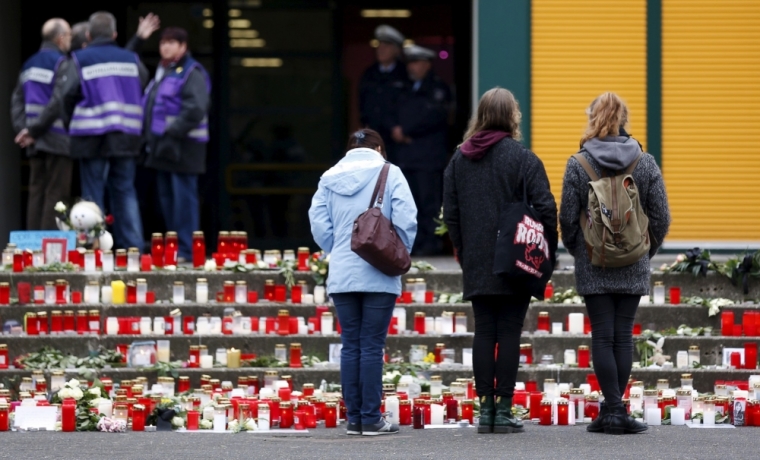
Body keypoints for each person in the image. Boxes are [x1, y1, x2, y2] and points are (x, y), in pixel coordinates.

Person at [443, 87, 558, 434]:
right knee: (509, 332)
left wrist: (463, 249)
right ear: (512, 117)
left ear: (480, 116)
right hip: (516, 257)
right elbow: (547, 208)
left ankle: (485, 411)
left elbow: (451, 213)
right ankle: (505, 410)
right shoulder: (523, 159)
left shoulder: (458, 160)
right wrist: (542, 250)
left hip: (476, 258)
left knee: (484, 331)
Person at [559, 92, 671, 435]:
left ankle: (611, 411)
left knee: (602, 336)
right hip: (634, 261)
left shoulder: (578, 163)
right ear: (624, 118)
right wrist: (643, 251)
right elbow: (662, 217)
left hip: (594, 261)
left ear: (592, 118)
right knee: (623, 337)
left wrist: (582, 250)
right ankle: (617, 411)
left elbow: (566, 217)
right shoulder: (646, 162)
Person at [309, 129, 417, 436]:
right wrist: (395, 252)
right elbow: (407, 220)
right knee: (371, 346)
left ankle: (354, 418)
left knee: (350, 346)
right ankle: (371, 417)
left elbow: (318, 224)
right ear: (379, 148)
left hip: (342, 272)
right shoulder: (390, 172)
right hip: (379, 273)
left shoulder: (328, 177)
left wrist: (339, 248)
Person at [61, 11, 150, 250]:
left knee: (92, 196)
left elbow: (66, 95)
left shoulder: (79, 59)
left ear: (88, 35)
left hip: (90, 136)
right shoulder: (131, 59)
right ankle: (133, 250)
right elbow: (143, 83)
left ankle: (96, 250)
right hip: (126, 137)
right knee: (125, 192)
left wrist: (71, 123)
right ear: (114, 34)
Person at [142, 27, 210, 262]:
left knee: (183, 202)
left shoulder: (191, 72)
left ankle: (187, 251)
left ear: (183, 46)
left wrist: (171, 130)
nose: (166, 47)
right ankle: (175, 249)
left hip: (185, 148)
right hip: (165, 149)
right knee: (167, 202)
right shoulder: (164, 72)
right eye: (162, 43)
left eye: (172, 43)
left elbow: (196, 107)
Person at [11, 18, 72, 230]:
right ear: (61, 38)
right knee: (56, 192)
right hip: (56, 138)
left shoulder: (29, 64)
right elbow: (58, 101)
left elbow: (17, 100)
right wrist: (33, 130)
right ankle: (49, 248)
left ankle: (31, 247)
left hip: (34, 141)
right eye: (70, 36)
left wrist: (24, 130)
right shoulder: (62, 63)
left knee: (36, 190)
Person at [394, 45, 451, 255]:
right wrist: (396, 130)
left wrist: (407, 130)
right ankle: (413, 244)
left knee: (429, 203)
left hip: (428, 159)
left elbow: (433, 117)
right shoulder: (403, 87)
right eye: (410, 62)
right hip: (407, 158)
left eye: (416, 62)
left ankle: (431, 244)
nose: (412, 67)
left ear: (426, 64)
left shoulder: (437, 89)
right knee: (408, 204)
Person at [358, 25, 408, 164]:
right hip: (373, 138)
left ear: (397, 50)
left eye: (387, 45)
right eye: (379, 44)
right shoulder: (369, 74)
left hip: (397, 140)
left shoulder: (405, 74)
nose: (381, 49)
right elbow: (363, 104)